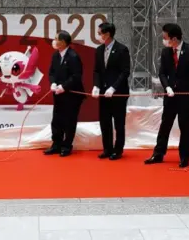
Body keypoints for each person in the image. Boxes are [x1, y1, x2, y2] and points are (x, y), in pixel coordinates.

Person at [145, 23, 189, 168]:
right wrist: (167, 86)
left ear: (174, 38)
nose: (163, 40)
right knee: (165, 125)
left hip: (186, 96)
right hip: (170, 95)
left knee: (185, 126)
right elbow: (162, 73)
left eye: (165, 37)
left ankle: (184, 156)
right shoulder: (166, 52)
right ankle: (158, 154)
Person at [92, 23, 130, 161]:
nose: (99, 36)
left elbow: (125, 72)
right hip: (103, 93)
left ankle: (118, 150)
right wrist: (96, 86)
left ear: (107, 34)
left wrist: (113, 87)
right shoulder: (99, 50)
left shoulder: (122, 49)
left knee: (119, 123)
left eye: (100, 33)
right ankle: (107, 149)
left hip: (118, 93)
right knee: (105, 122)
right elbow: (96, 70)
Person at [45, 31, 86, 157]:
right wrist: (53, 83)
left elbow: (76, 76)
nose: (54, 41)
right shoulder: (55, 56)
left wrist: (64, 86)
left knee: (69, 121)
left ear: (62, 42)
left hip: (71, 95)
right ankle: (56, 144)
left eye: (56, 39)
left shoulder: (73, 56)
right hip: (58, 94)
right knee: (56, 120)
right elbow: (51, 72)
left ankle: (67, 146)